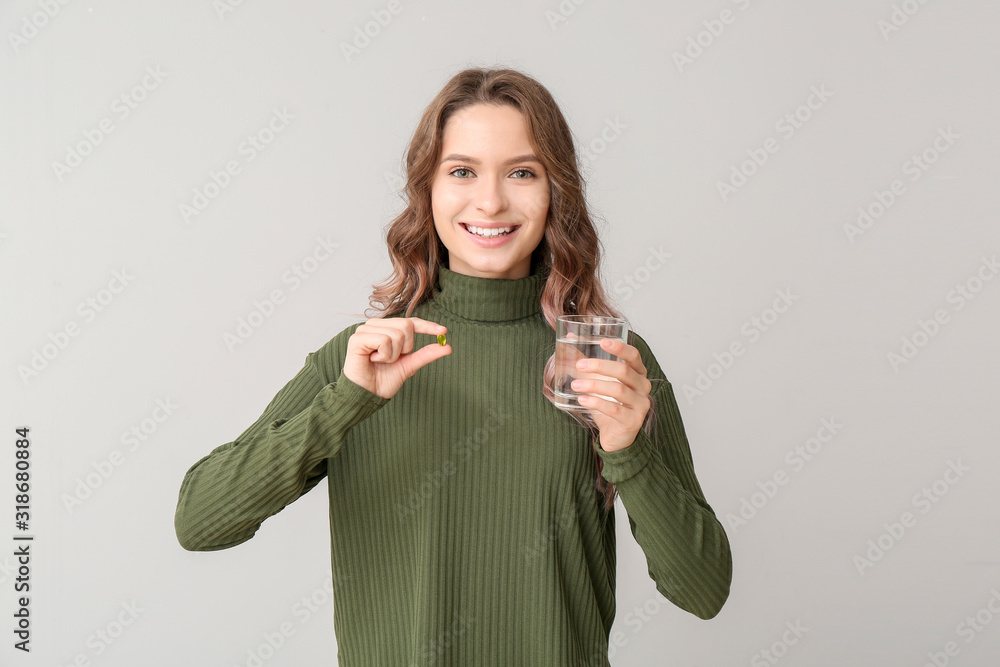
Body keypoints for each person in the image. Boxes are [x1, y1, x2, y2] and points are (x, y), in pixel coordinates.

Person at [174, 66, 732, 666]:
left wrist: (628, 448)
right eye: (462, 171)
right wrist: (344, 404)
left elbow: (702, 591)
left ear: (556, 194)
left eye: (522, 172)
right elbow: (201, 523)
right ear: (428, 191)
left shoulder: (604, 364)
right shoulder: (364, 357)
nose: (490, 201)